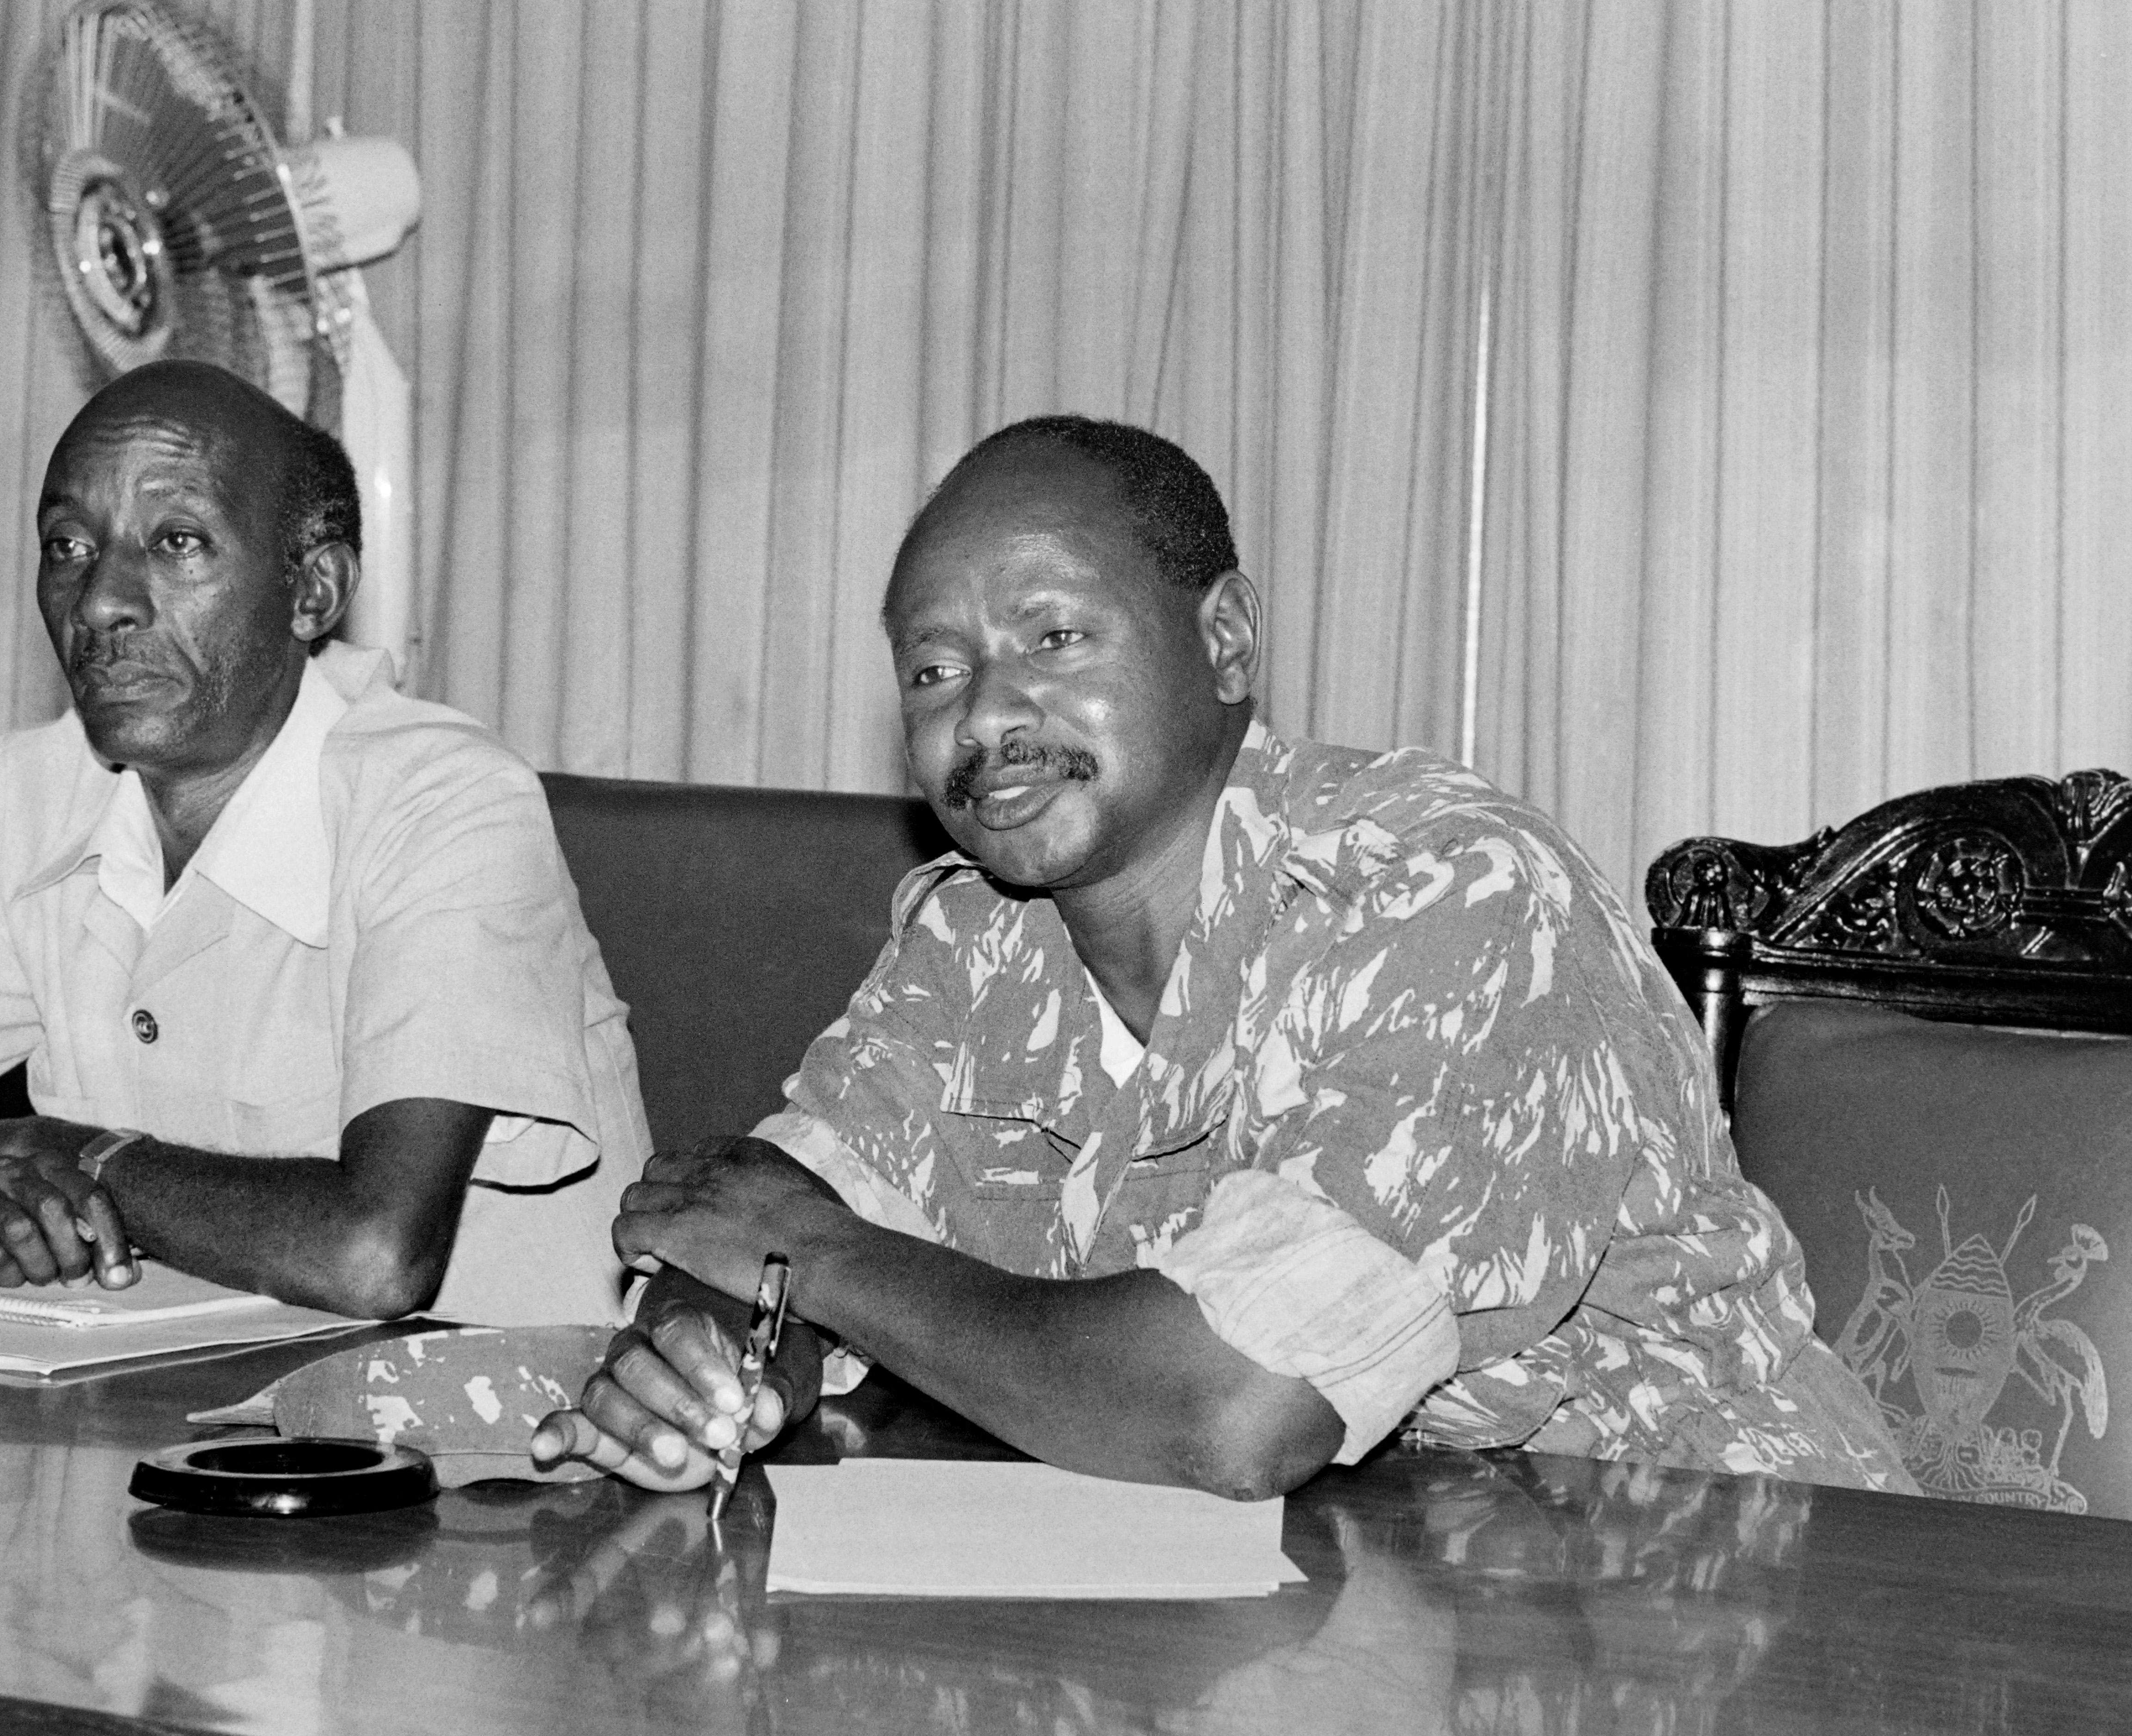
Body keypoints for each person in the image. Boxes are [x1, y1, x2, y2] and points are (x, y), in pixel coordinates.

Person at [534, 415, 1913, 1497]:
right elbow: (768, 1206)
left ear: (1226, 641)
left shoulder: (1450, 894)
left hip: (1718, 1587)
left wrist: (812, 1259)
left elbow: (1234, 1408)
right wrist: (708, 1361)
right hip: (1348, 1599)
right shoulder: (972, 932)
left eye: (1054, 636)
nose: (988, 713)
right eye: (934, 671)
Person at [0, 360, 646, 1326]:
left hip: (486, 1412)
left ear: (314, 590)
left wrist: (54, 1150)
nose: (99, 602)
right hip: (156, 1403)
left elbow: (375, 1256)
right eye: (68, 546)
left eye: (177, 542)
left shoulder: (443, 800)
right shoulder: (30, 798)